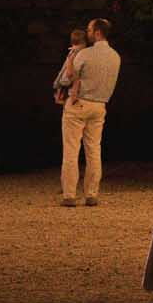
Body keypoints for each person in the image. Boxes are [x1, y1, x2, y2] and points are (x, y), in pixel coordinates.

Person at [60, 17, 120, 207]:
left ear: (97, 33)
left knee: (71, 150)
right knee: (94, 150)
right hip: (100, 105)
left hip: (79, 104)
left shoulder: (84, 54)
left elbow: (65, 79)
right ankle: (91, 194)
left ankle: (70, 195)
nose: (87, 33)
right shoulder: (116, 57)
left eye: (89, 29)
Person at [52, 27, 85, 103]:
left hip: (65, 73)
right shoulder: (80, 49)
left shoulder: (72, 49)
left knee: (61, 84)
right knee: (76, 81)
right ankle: (71, 97)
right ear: (83, 41)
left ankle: (59, 97)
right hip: (69, 73)